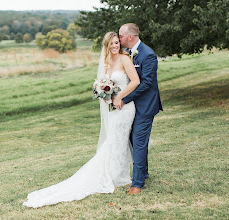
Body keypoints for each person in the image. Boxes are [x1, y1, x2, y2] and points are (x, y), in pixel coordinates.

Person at [22, 32, 140, 208]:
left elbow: (135, 81)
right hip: (114, 107)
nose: (115, 46)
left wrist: (119, 97)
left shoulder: (124, 59)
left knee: (119, 141)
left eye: (117, 42)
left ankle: (118, 175)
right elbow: (106, 86)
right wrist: (107, 97)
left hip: (125, 108)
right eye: (112, 44)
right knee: (114, 141)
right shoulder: (107, 64)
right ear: (107, 46)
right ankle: (115, 175)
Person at [115, 23, 163, 195]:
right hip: (132, 107)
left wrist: (124, 98)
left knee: (139, 140)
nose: (119, 39)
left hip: (146, 105)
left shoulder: (148, 55)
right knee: (134, 140)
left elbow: (146, 84)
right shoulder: (127, 54)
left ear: (129, 37)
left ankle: (137, 184)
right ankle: (144, 172)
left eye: (120, 36)